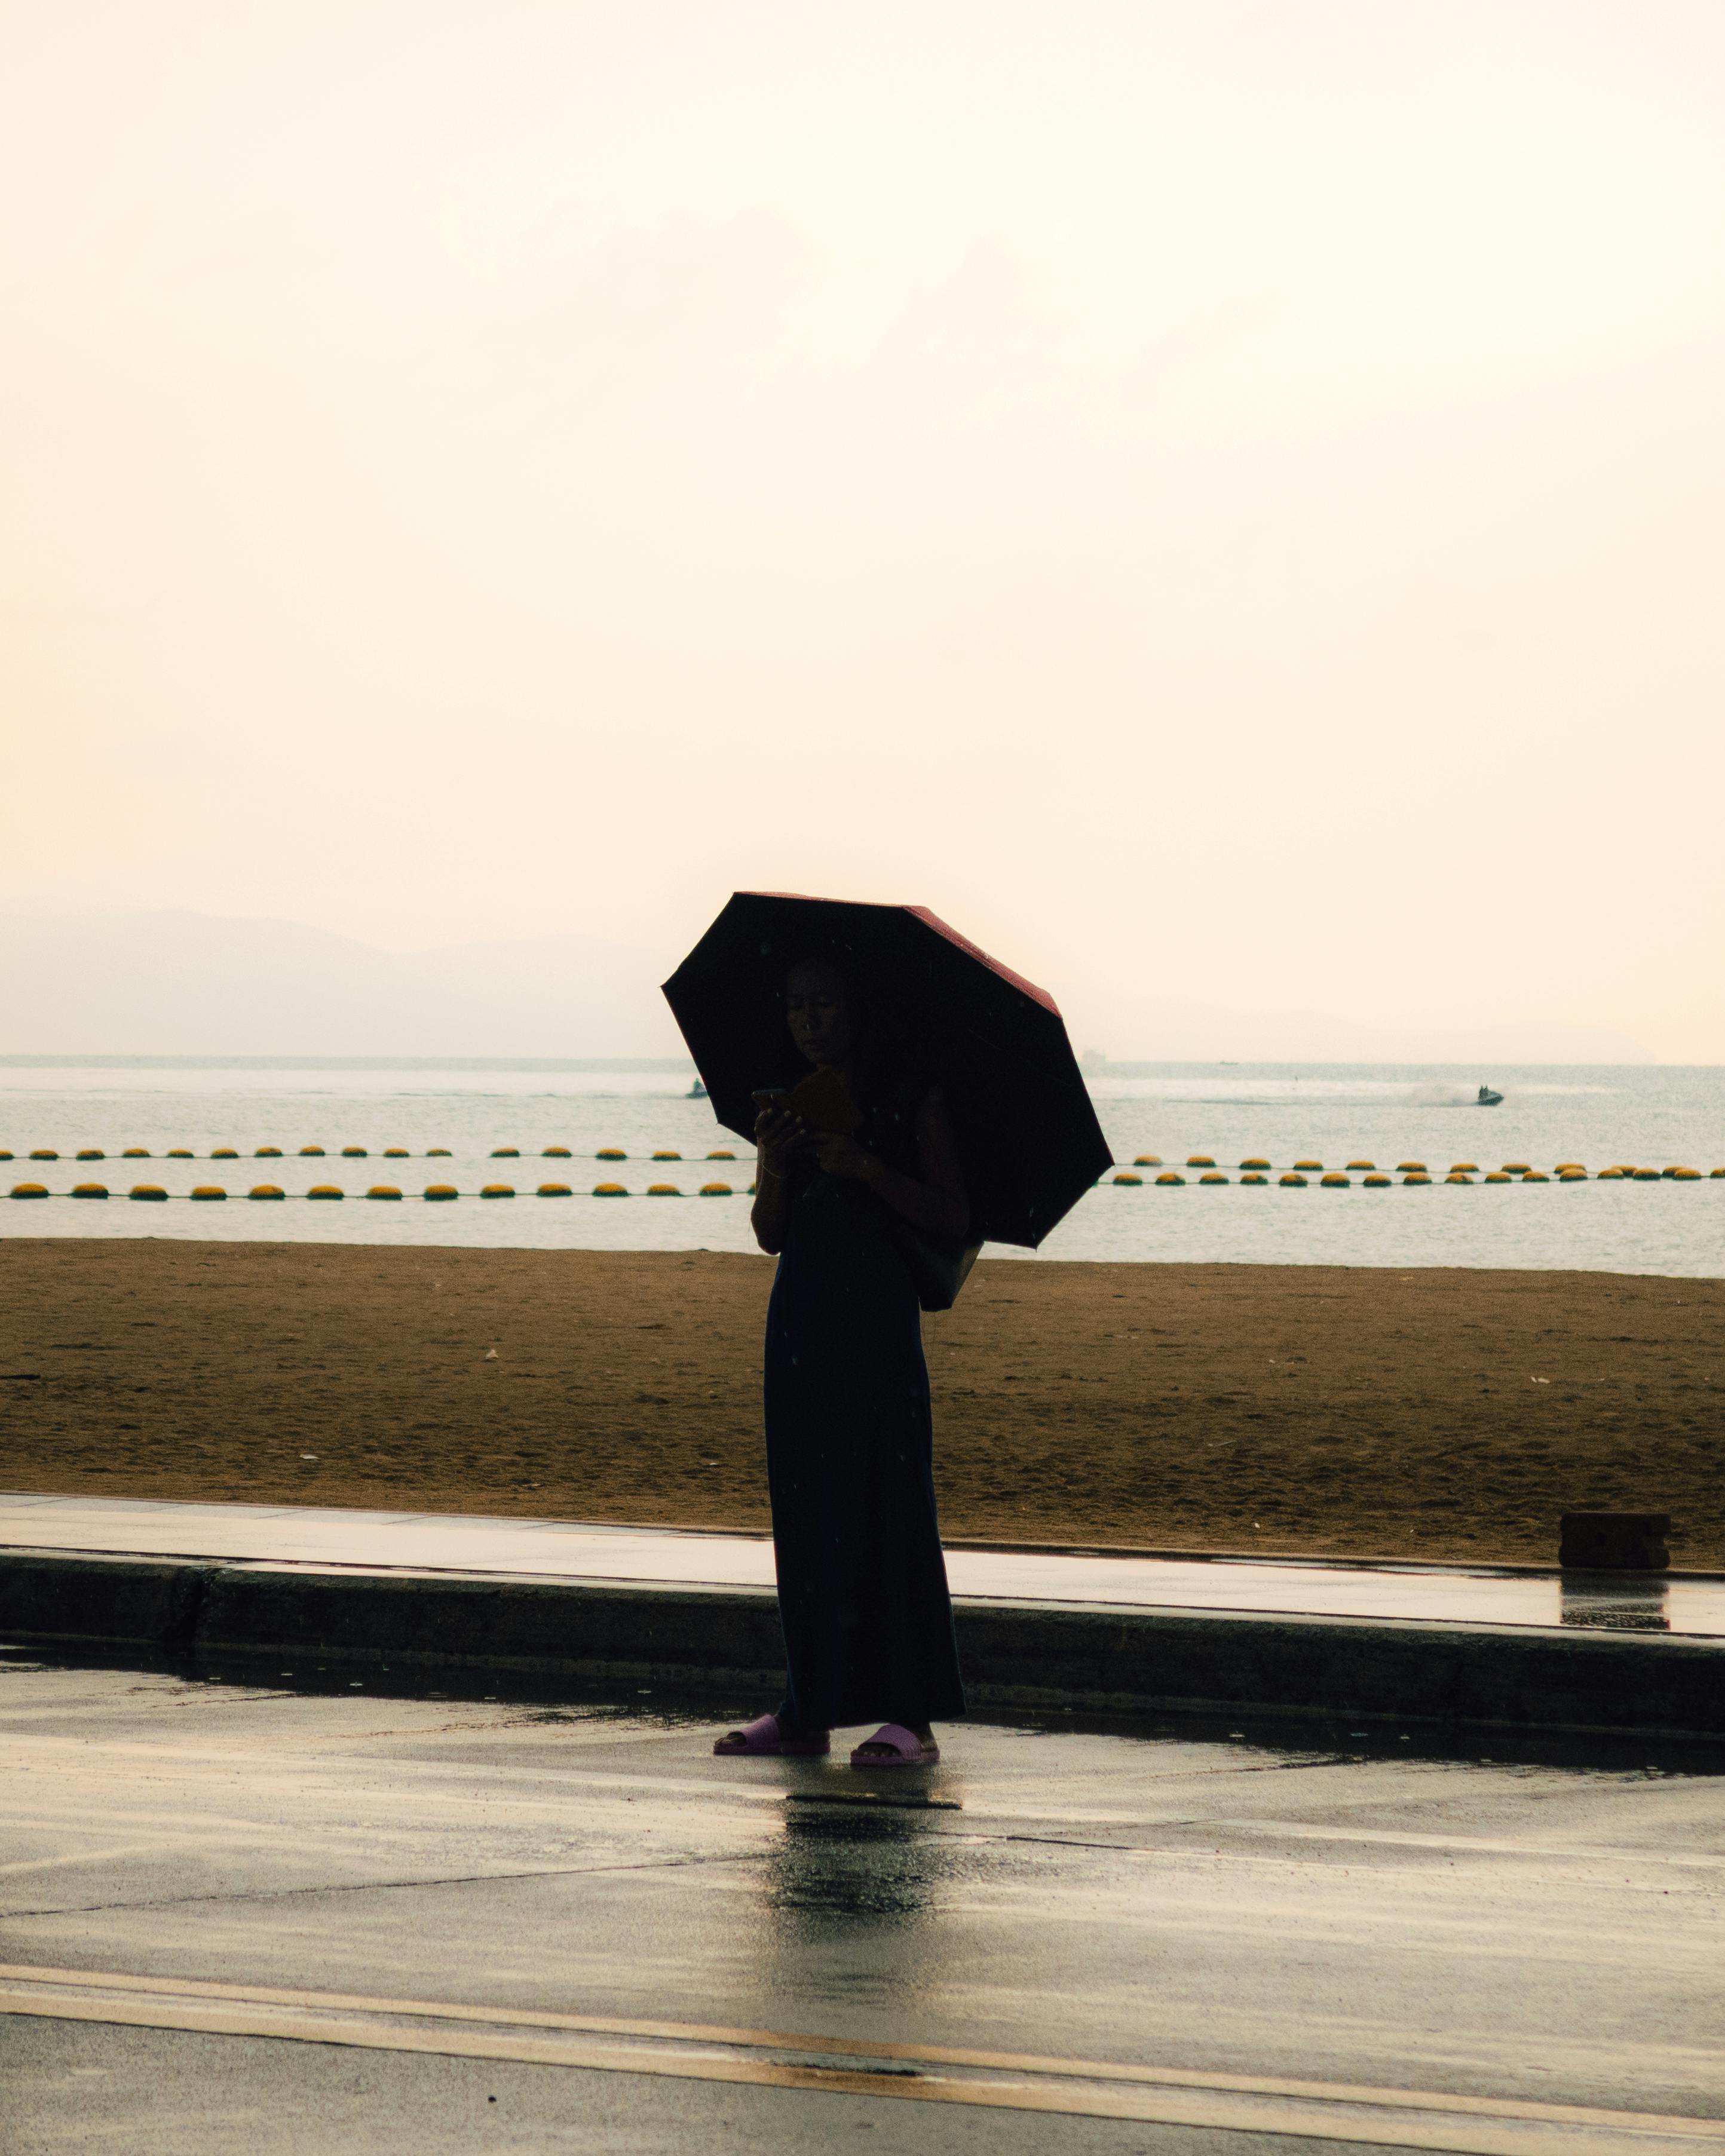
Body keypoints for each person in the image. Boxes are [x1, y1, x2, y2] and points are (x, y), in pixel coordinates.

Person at [713, 955, 968, 1768]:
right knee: (806, 1509)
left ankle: (911, 1716)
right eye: (797, 1006)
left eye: (825, 1003)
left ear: (860, 1006)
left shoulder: (909, 1096)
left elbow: (954, 1212)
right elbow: (769, 1231)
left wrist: (863, 1164)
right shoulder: (788, 1104)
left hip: (877, 1319)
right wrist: (776, 1160)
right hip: (800, 1318)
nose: (810, 1021)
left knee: (887, 1507)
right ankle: (805, 1707)